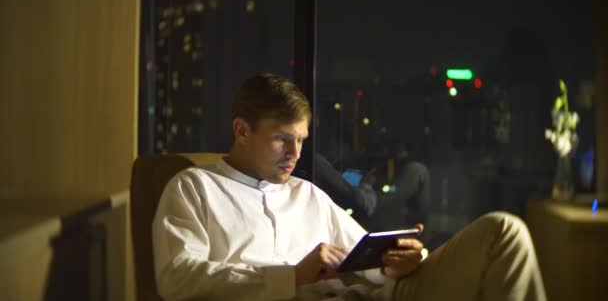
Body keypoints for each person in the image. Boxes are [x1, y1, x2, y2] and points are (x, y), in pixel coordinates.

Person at [152, 73, 547, 300]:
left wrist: (406, 261)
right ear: (241, 130)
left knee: (504, 232)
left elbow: (366, 259)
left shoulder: (306, 195)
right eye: (282, 138)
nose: (295, 152)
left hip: (373, 297)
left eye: (302, 140)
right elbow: (178, 279)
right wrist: (291, 276)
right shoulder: (194, 189)